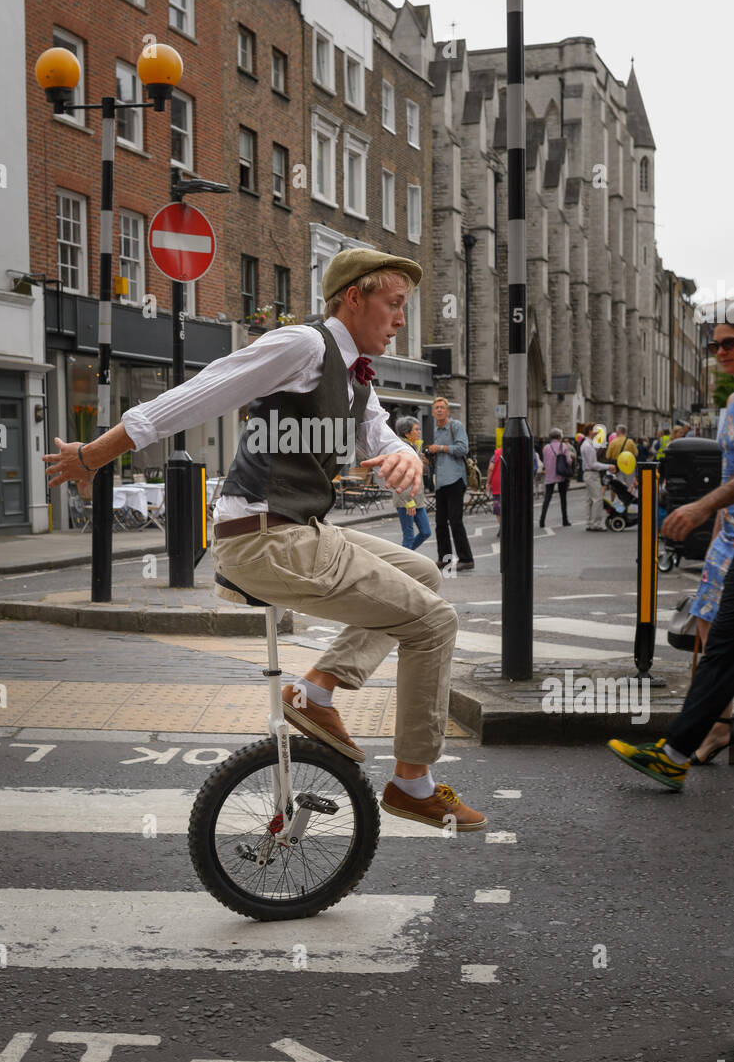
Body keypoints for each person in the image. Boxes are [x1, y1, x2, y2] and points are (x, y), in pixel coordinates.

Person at [44, 247, 485, 832]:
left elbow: (377, 432)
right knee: (434, 621)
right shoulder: (304, 345)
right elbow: (201, 394)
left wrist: (405, 456)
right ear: (354, 297)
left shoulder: (355, 373)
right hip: (263, 536)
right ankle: (412, 782)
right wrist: (94, 454)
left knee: (425, 577)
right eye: (394, 304)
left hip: (297, 528)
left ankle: (316, 691)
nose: (401, 320)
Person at [607, 317, 734, 785]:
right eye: (714, 344)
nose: (719, 352)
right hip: (730, 540)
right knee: (714, 639)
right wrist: (720, 521)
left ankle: (680, 749)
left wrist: (701, 508)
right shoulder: (732, 405)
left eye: (729, 343)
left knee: (721, 647)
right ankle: (685, 746)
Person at [428, 397, 475, 572]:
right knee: (440, 522)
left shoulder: (456, 426)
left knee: (455, 520)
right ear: (433, 413)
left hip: (455, 479)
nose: (439, 410)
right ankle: (445, 558)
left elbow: (463, 448)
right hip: (440, 482)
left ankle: (466, 559)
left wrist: (440, 448)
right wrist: (430, 455)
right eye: (436, 408)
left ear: (447, 411)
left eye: (442, 407)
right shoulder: (435, 430)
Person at [392, 415, 432, 552]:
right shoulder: (402, 449)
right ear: (407, 433)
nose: (419, 432)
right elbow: (398, 478)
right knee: (408, 536)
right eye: (416, 429)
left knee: (426, 532)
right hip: (406, 500)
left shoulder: (414, 447)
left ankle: (405, 557)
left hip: (418, 499)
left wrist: (424, 463)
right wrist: (409, 502)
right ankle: (404, 566)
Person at [539, 428, 572, 527]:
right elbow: (569, 461)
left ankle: (542, 520)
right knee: (563, 498)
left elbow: (544, 461)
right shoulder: (563, 446)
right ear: (559, 437)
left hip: (549, 475)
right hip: (561, 474)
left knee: (547, 498)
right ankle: (565, 520)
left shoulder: (546, 447)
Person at [581, 430, 608, 531]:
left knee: (589, 499)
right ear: (590, 431)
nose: (597, 432)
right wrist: (608, 466)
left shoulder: (588, 444)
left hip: (589, 473)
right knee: (598, 498)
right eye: (594, 430)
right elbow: (593, 464)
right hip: (592, 473)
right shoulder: (588, 446)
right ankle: (596, 524)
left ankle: (589, 523)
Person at [486, 444, 502, 538]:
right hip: (510, 483)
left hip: (497, 483)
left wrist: (488, 482)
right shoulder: (513, 452)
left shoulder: (496, 454)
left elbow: (491, 468)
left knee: (497, 506)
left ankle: (501, 526)